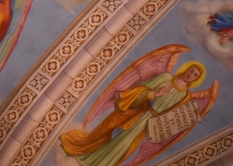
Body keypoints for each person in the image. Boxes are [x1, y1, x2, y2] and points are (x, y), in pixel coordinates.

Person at [60, 61, 216, 166]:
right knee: (109, 133)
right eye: (192, 71)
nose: (191, 75)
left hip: (147, 124)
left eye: (195, 75)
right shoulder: (165, 78)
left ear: (196, 79)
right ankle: (86, 155)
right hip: (137, 112)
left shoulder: (185, 96)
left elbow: (172, 116)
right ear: (186, 69)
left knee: (125, 146)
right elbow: (140, 88)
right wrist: (155, 94)